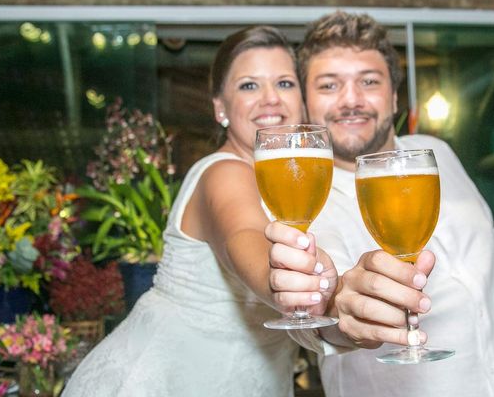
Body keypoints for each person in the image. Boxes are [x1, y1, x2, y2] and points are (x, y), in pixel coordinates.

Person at [267, 11, 494, 397]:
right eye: (329, 85)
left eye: (369, 81)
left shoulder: (436, 153)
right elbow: (328, 315)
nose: (351, 100)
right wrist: (338, 313)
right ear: (305, 102)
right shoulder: (303, 201)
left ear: (395, 95)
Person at [63, 26, 334, 396]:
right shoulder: (222, 173)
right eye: (249, 86)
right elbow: (245, 237)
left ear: (302, 101)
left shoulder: (287, 184)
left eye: (284, 83)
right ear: (220, 107)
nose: (270, 99)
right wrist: (283, 282)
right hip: (163, 380)